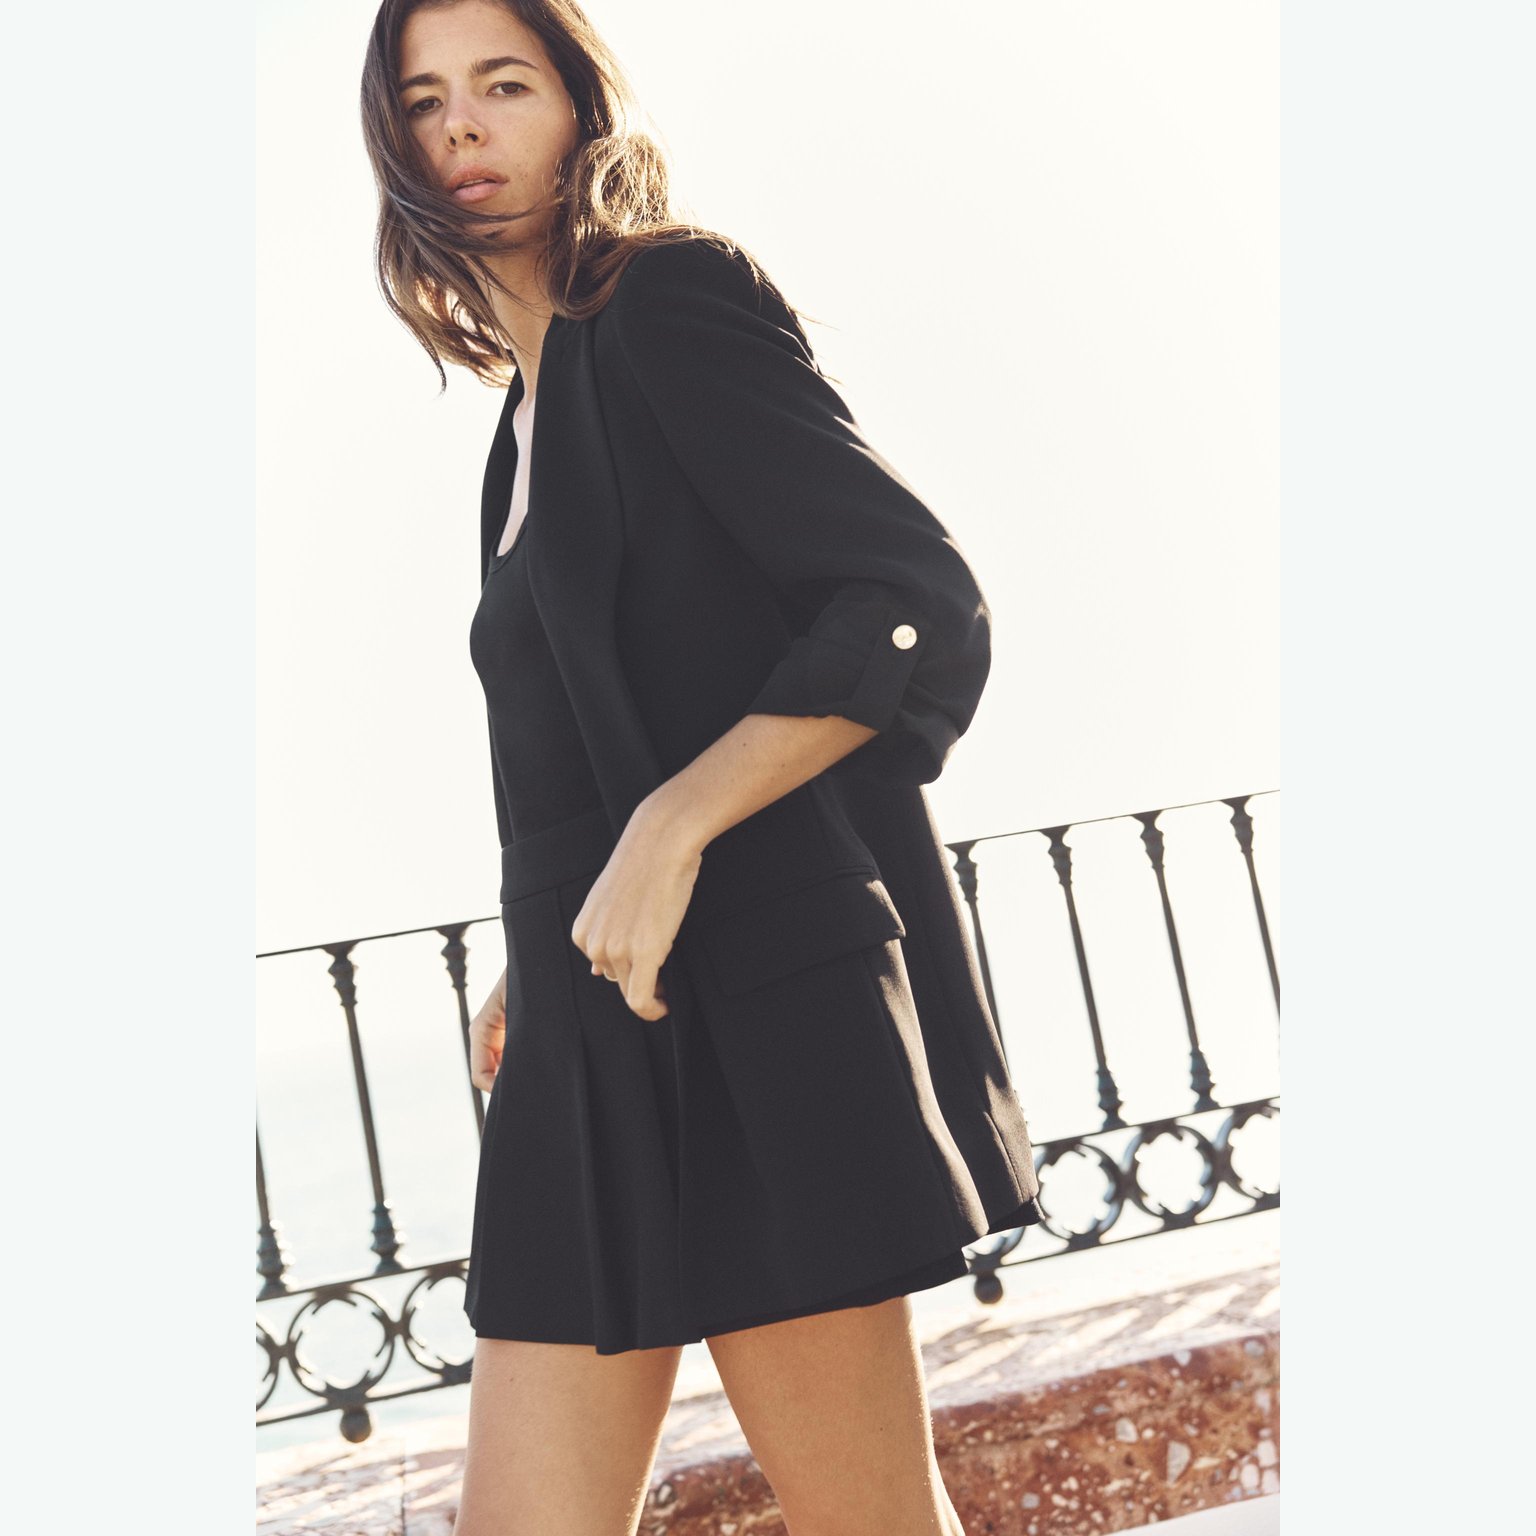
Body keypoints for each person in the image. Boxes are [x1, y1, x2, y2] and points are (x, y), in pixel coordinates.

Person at [361, 2, 1044, 1531]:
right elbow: (619, 708)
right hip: (591, 1026)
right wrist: (557, 936)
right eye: (422, 97)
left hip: (758, 1016)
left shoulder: (668, 299)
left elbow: (909, 604)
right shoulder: (522, 419)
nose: (460, 124)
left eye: (503, 84)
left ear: (579, 109)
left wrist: (669, 831)